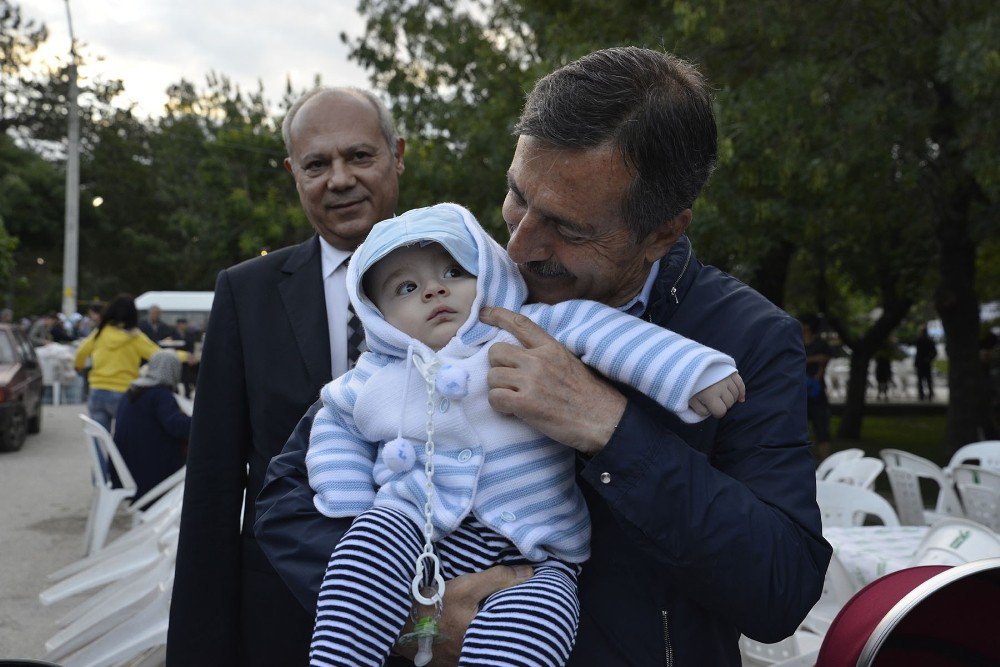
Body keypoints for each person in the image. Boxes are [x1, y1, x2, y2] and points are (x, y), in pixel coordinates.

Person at [256, 47, 830, 666]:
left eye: (569, 228)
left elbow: (780, 589)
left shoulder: (744, 340)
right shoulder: (467, 287)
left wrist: (613, 431)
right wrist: (418, 619)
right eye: (517, 197)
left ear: (663, 232)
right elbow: (287, 501)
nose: (523, 245)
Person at [307, 204, 743, 665]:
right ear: (378, 316)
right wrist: (352, 502)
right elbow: (335, 428)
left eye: (455, 270)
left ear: (490, 273)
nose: (435, 289)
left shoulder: (524, 329)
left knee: (538, 625)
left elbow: (607, 332)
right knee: (363, 559)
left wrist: (692, 372)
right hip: (415, 529)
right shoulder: (373, 376)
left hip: (533, 550)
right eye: (406, 287)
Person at [167, 86, 407, 666]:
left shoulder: (468, 276)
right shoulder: (246, 294)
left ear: (398, 154)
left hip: (441, 610)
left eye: (359, 156)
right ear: (293, 174)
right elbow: (213, 489)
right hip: (284, 618)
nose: (340, 179)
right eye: (317, 164)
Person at [73, 294, 177, 433]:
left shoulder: (100, 332)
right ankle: (118, 456)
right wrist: (184, 356)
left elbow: (81, 352)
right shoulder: (135, 336)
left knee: (100, 438)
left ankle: (103, 456)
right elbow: (158, 355)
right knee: (126, 437)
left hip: (97, 390)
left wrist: (78, 366)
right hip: (123, 392)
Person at [113, 350, 192, 500]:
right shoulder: (160, 395)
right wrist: (201, 421)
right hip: (147, 470)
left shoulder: (133, 389)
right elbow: (176, 426)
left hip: (127, 465)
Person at [800, 315, 832, 460]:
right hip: (799, 392)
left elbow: (823, 361)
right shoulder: (797, 342)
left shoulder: (820, 344)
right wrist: (813, 359)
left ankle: (826, 462)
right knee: (798, 429)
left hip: (815, 391)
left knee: (821, 429)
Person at [914, 326, 937, 401]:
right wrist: (929, 358)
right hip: (925, 363)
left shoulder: (919, 340)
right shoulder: (929, 341)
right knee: (927, 379)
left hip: (921, 363)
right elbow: (934, 352)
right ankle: (928, 393)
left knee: (922, 379)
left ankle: (923, 394)